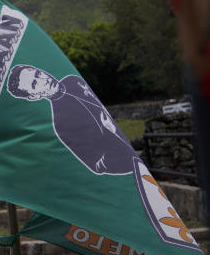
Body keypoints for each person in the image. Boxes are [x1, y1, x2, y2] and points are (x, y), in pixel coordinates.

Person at [7, 64, 136, 175]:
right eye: (35, 83)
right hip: (130, 167)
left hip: (134, 153)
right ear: (34, 96)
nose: (43, 78)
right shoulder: (60, 123)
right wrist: (112, 133)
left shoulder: (73, 80)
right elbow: (97, 165)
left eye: (38, 73)